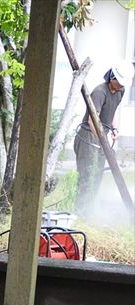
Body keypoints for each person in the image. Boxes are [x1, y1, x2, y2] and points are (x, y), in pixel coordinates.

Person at [73, 60, 134, 215]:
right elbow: (92, 120)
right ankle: (80, 212)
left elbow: (112, 112)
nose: (121, 86)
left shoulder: (121, 91)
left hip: (102, 136)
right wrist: (101, 140)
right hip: (88, 136)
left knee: (97, 176)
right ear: (112, 77)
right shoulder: (99, 92)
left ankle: (89, 211)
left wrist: (114, 128)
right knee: (87, 176)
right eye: (119, 82)